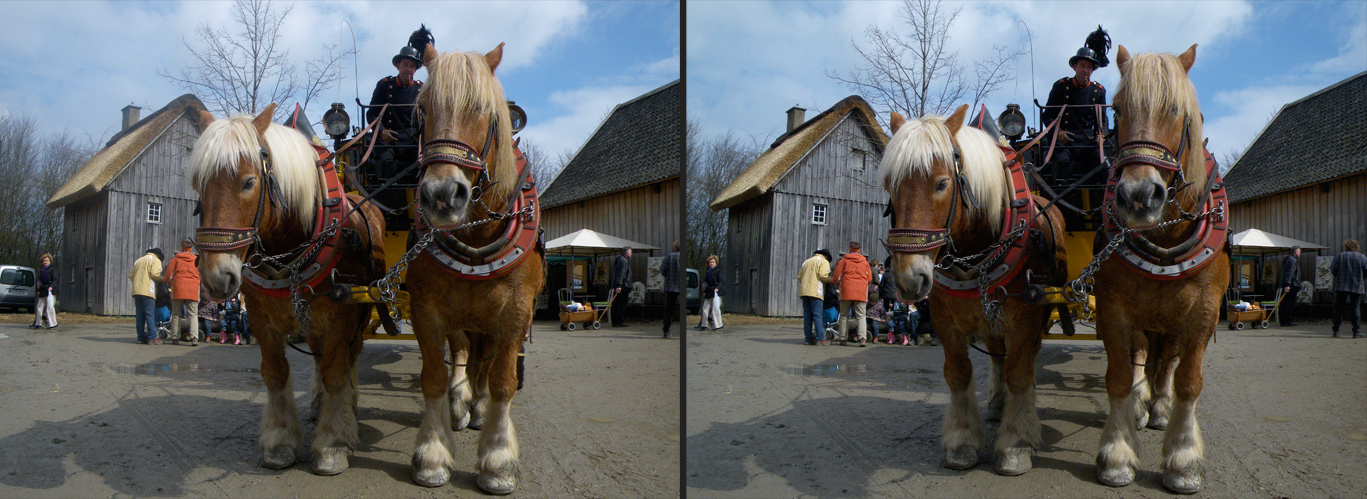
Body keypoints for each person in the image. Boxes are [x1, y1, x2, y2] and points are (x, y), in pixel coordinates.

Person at [1042, 26, 1110, 179]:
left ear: (1092, 71)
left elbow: (1103, 120)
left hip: (1087, 142)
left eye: (1089, 67)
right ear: (1074, 67)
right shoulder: (1061, 86)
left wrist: (1102, 135)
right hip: (1063, 141)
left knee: (1105, 167)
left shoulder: (1098, 91)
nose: (1085, 70)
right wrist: (1058, 134)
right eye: (1082, 66)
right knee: (1060, 165)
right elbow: (1047, 116)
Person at [367, 25, 432, 181]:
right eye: (405, 65)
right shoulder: (384, 85)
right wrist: (382, 131)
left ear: (416, 69)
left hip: (411, 140)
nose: (408, 69)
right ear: (398, 65)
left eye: (412, 66)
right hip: (387, 138)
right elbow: (371, 113)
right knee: (382, 160)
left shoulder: (421, 89)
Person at [833, 242, 872, 346]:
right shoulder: (865, 262)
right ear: (859, 250)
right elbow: (870, 278)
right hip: (861, 291)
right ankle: (862, 338)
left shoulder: (844, 261)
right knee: (861, 316)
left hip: (846, 289)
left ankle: (843, 338)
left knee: (844, 315)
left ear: (850, 248)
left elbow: (836, 276)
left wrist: (838, 284)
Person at [163, 238, 201, 346]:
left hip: (178, 289)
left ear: (181, 248)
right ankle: (194, 338)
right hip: (192, 289)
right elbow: (201, 274)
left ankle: (175, 337)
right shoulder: (196, 259)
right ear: (190, 248)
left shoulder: (176, 259)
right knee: (193, 315)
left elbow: (167, 274)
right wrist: (198, 284)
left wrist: (170, 282)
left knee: (176, 314)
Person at [1329, 239, 1367, 338]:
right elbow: (1366, 271)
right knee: (1355, 308)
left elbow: (1333, 269)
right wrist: (1361, 278)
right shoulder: (1362, 257)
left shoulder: (1339, 256)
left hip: (1341, 285)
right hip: (1357, 285)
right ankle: (1356, 332)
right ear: (1357, 246)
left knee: (1338, 309)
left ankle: (1336, 331)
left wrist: (1339, 276)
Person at [797, 249, 834, 345]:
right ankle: (820, 338)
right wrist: (831, 280)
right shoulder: (823, 261)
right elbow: (823, 275)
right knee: (818, 315)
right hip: (816, 291)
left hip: (804, 291)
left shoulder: (806, 261)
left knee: (807, 316)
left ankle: (808, 338)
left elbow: (799, 278)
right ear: (826, 256)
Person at [129, 248, 165, 344]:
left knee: (140, 315)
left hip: (136, 291)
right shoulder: (155, 260)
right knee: (150, 315)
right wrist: (164, 279)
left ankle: (140, 337)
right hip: (148, 290)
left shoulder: (138, 260)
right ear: (158, 255)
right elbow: (155, 274)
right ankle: (153, 337)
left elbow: (131, 276)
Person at [31, 253, 57, 329]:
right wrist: (38, 287)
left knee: (50, 307)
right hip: (43, 290)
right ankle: (38, 323)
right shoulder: (42, 269)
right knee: (39, 307)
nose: (45, 262)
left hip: (51, 291)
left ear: (50, 261)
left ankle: (53, 324)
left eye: (47, 260)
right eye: (44, 260)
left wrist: (51, 287)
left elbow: (55, 280)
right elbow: (40, 280)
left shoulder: (53, 269)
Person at [661, 241, 681, 338]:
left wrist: (668, 276)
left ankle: (666, 330)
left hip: (671, 286)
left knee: (669, 309)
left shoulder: (669, 257)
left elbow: (663, 270)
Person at [698, 255, 725, 331]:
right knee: (704, 309)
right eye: (710, 262)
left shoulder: (718, 271)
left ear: (716, 262)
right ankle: (704, 325)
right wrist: (704, 291)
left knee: (715, 309)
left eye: (713, 262)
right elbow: (705, 282)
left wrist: (717, 288)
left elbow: (722, 282)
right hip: (709, 292)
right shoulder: (708, 271)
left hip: (716, 292)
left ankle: (718, 325)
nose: (711, 263)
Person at [1278, 246, 1302, 327]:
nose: (1300, 254)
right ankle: (1287, 320)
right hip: (1291, 285)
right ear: (1296, 252)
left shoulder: (1288, 259)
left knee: (1285, 303)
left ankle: (1284, 320)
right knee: (1289, 303)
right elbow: (1290, 272)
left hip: (1288, 284)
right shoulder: (1292, 260)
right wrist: (1288, 284)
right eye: (1299, 252)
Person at [611, 246, 633, 327]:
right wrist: (619, 285)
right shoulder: (623, 261)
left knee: (617, 303)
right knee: (621, 304)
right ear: (627, 252)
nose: (631, 254)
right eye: (630, 252)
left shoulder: (620, 260)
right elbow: (621, 273)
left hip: (621, 285)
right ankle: (619, 321)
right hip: (623, 286)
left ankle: (616, 321)